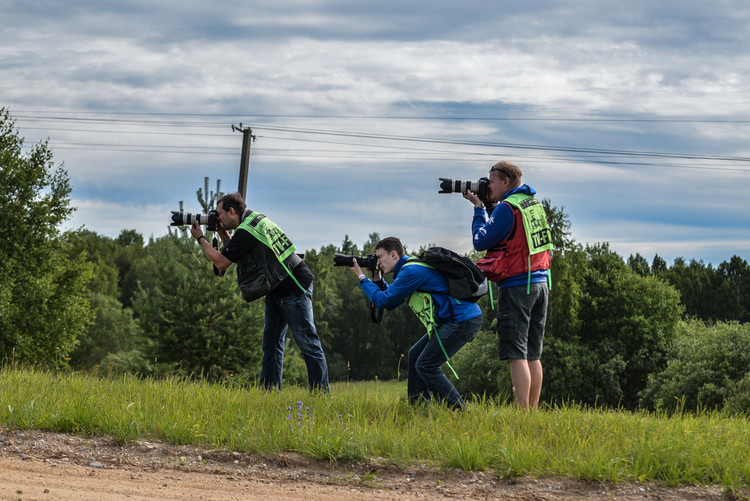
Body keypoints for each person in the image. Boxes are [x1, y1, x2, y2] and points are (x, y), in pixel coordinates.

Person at [191, 192, 329, 392]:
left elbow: (221, 263)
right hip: (276, 287)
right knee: (271, 345)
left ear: (232, 211)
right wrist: (222, 233)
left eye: (219, 213)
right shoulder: (255, 220)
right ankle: (269, 394)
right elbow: (237, 252)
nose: (217, 217)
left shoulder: (247, 230)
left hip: (293, 286)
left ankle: (321, 395)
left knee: (308, 344)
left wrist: (201, 238)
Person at [348, 236, 483, 410]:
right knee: (415, 356)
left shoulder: (411, 271)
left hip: (461, 320)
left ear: (394, 254)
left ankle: (459, 410)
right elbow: (393, 299)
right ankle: (418, 407)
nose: (378, 261)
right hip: (455, 319)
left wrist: (361, 277)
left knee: (426, 365)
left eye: (380, 257)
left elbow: (384, 301)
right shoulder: (409, 268)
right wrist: (376, 277)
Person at [463, 161, 552, 410]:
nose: (487, 185)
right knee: (534, 353)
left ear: (505, 182)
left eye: (491, 181)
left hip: (517, 285)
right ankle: (532, 411)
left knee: (517, 353)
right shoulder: (532, 205)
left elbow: (481, 241)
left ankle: (523, 412)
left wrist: (479, 209)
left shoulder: (506, 208)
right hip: (541, 283)